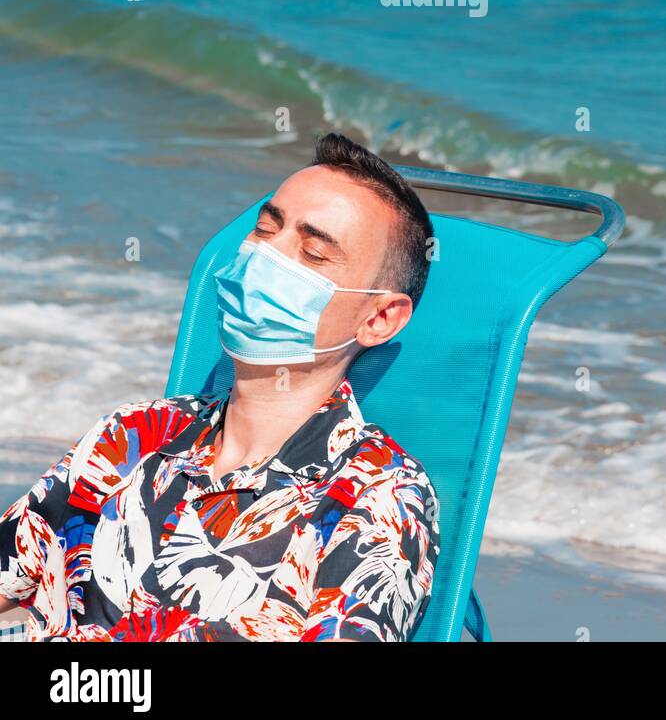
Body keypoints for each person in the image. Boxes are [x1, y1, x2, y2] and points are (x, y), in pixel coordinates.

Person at [0, 134, 439, 642]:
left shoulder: (377, 495)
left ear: (380, 317)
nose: (265, 257)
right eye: (264, 229)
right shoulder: (136, 433)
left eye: (313, 252)